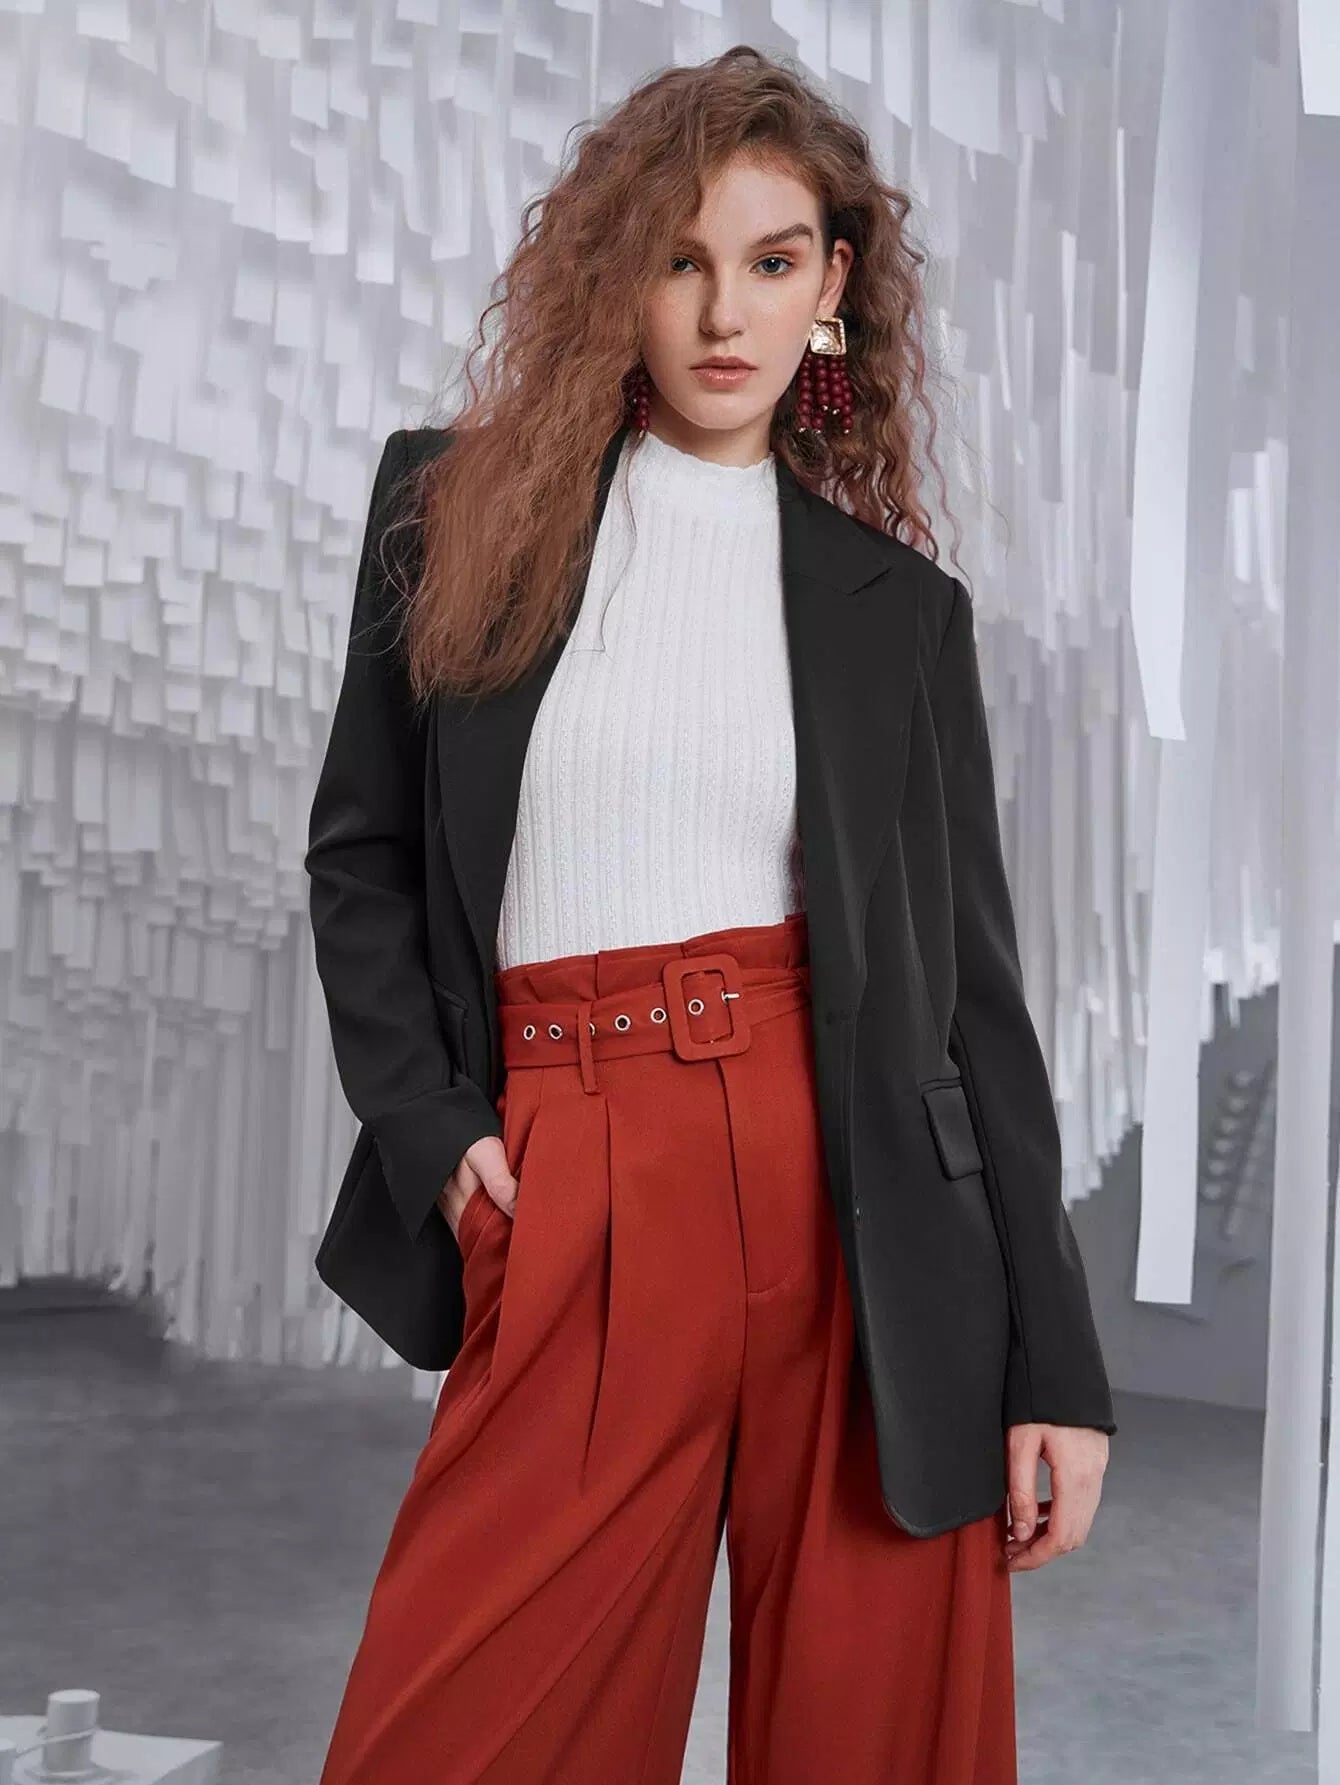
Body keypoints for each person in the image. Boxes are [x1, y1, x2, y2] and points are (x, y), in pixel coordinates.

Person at [305, 43, 1115, 1785]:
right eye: (680, 259)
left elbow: (975, 998)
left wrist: (1057, 1362)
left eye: (771, 260)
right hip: (577, 1164)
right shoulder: (449, 512)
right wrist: (438, 1133)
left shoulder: (899, 610)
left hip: (863, 1195)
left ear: (832, 288)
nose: (724, 312)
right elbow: (360, 855)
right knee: (457, 1736)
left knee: (872, 1742)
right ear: (621, 274)